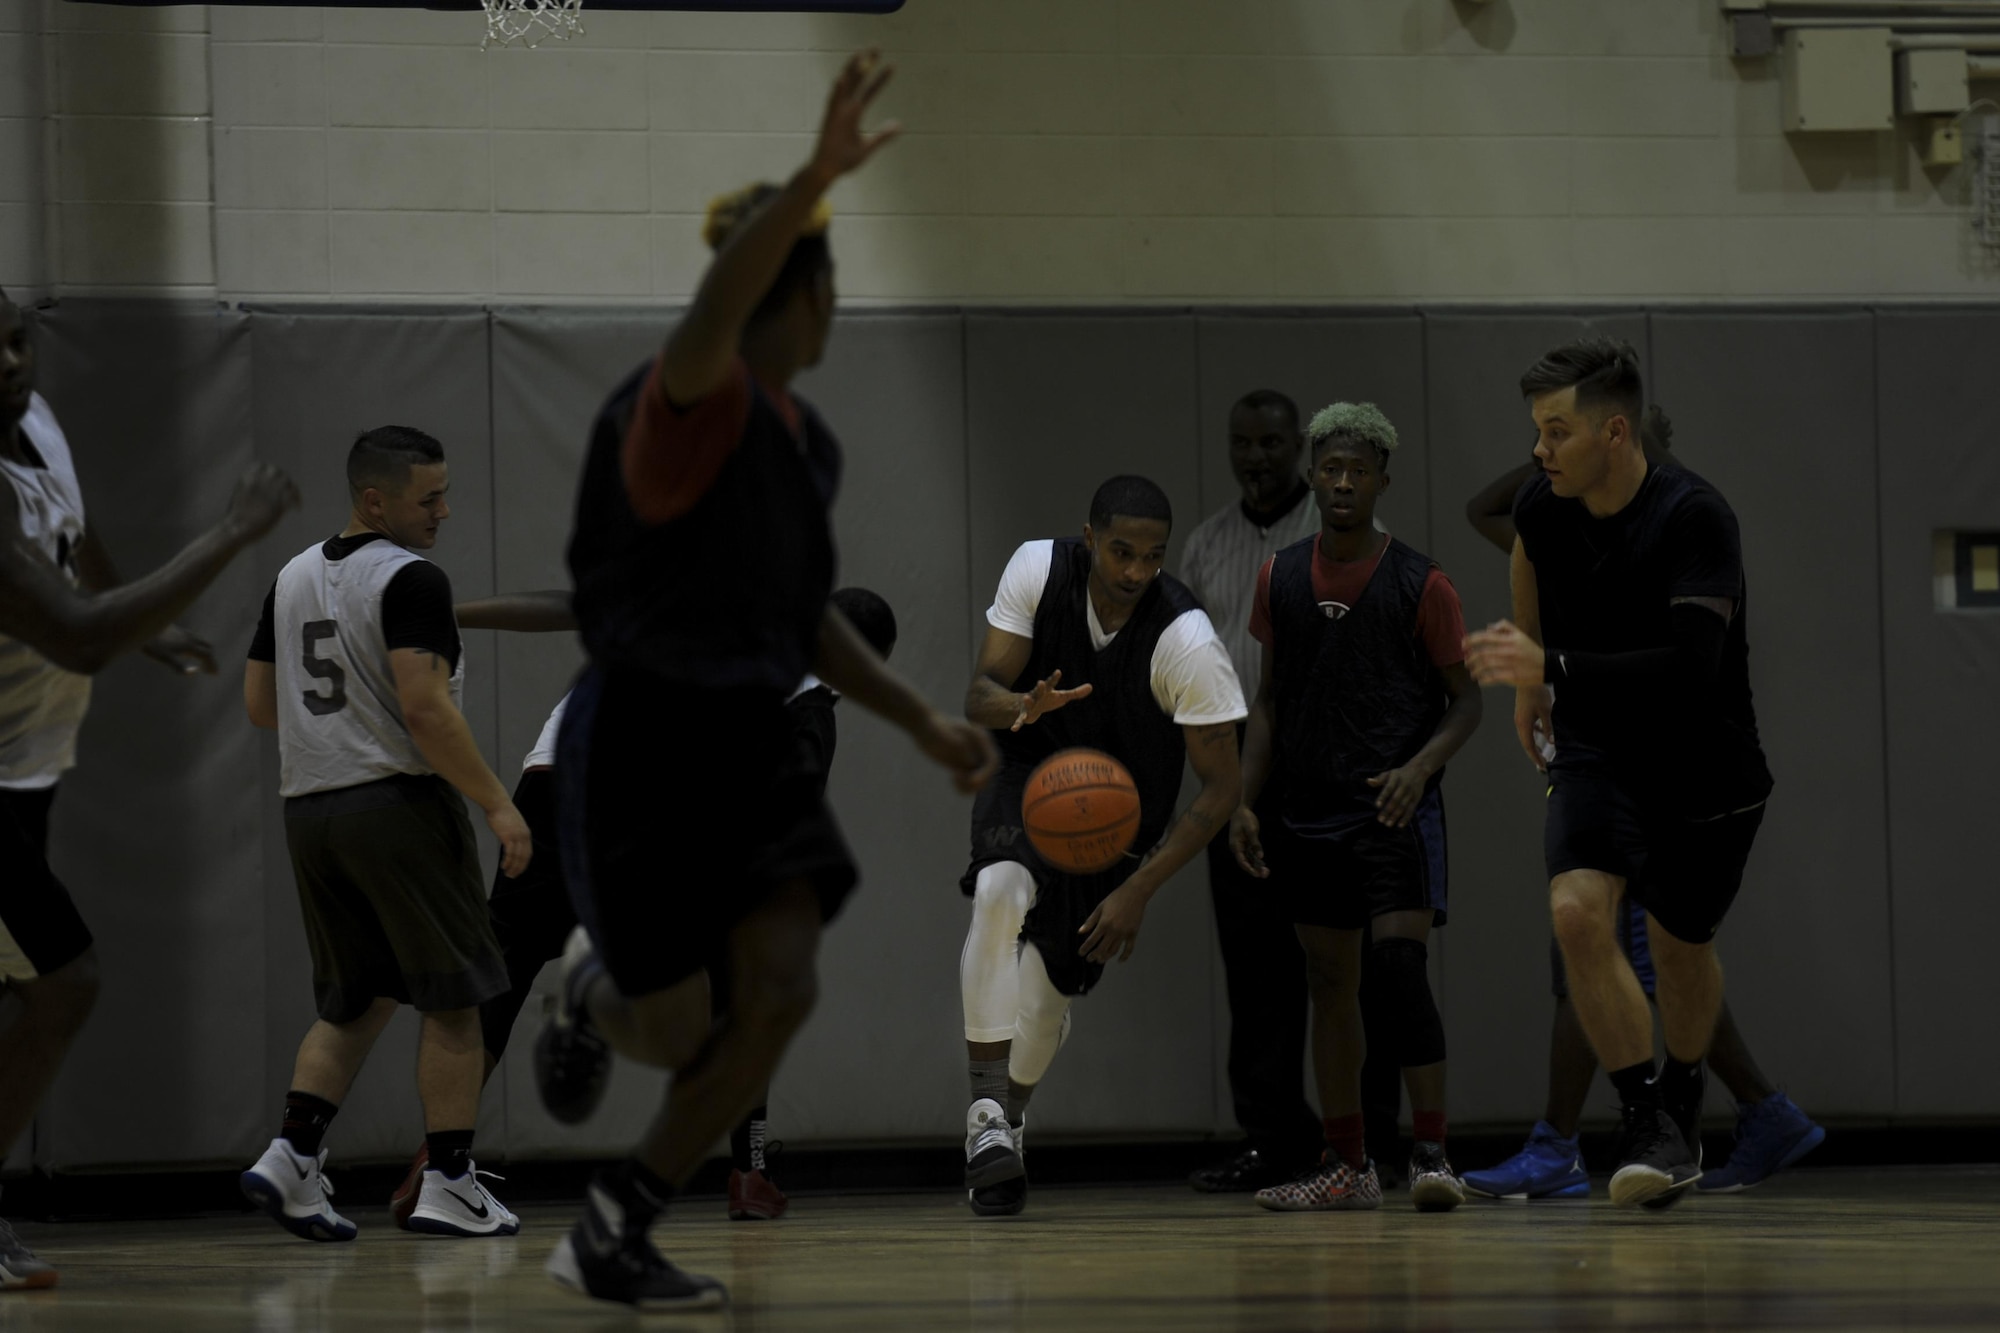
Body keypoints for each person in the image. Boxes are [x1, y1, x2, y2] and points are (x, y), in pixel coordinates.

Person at [532, 52, 997, 1312]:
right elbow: (712, 309)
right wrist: (814, 180)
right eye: (825, 274)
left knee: (780, 990)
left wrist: (914, 717)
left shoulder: (808, 441)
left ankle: (614, 1225)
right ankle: (583, 991)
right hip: (641, 739)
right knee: (680, 1032)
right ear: (804, 286)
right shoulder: (687, 393)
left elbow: (802, 620)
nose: (835, 300)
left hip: (748, 735)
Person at [386, 585, 899, 1228]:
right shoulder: (810, 694)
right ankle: (750, 1173)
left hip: (554, 774)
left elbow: (568, 603)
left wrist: (452, 612)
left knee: (503, 973)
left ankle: (441, 1161)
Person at [0, 290, 298, 1290]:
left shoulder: (35, 422)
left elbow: (78, 544)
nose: (8, 361)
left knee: (34, 988)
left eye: (15, 340)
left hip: (27, 769)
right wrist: (228, 534)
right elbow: (76, 633)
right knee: (65, 980)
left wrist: (147, 621)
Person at [1460, 406, 1822, 1200]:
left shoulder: (1676, 530)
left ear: (1619, 436)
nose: (1545, 454)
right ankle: (1743, 1112)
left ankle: (1594, 1136)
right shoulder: (1556, 523)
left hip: (1669, 765)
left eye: (1566, 431)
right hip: (1602, 754)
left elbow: (1690, 661)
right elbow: (1498, 515)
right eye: (1541, 433)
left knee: (1646, 950)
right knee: (1604, 940)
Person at [240, 425, 531, 1243]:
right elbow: (426, 710)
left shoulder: (291, 574)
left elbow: (262, 706)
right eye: (427, 496)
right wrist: (497, 803)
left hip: (312, 811)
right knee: (459, 998)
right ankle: (448, 1180)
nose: (444, 510)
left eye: (444, 491)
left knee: (357, 998)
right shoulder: (412, 579)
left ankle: (292, 1156)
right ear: (376, 500)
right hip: (398, 806)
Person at [958, 473, 1245, 1218]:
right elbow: (977, 692)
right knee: (998, 893)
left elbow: (1221, 790)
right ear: (1090, 540)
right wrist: (1023, 705)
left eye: (1152, 557)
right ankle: (986, 1116)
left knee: (1050, 989)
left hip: (1117, 827)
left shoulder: (1186, 638)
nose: (1135, 571)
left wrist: (1138, 888)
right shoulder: (1037, 568)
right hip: (1027, 769)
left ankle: (1010, 1116)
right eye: (1121, 551)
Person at [1230, 403, 1480, 1214]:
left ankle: (1433, 1153)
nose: (1342, 482)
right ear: (1314, 474)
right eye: (1330, 468)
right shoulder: (1280, 575)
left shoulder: (1422, 580)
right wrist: (1242, 800)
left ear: (1381, 481)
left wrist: (1421, 766)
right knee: (1328, 978)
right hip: (1307, 811)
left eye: (1358, 471)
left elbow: (1466, 702)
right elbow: (1266, 702)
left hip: (1392, 812)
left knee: (1399, 974)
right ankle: (1348, 1166)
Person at [1176, 391, 1330, 1193]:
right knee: (1256, 966)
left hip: (1323, 760)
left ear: (1298, 444)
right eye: (1243, 442)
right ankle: (1272, 1137)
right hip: (1234, 766)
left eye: (1272, 442)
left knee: (1342, 959)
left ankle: (1353, 1140)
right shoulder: (1205, 545)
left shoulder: (1331, 531)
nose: (1256, 457)